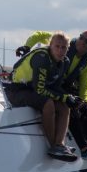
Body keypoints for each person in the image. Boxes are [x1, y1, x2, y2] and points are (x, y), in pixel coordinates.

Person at [19, 30, 87, 159]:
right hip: (27, 87)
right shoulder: (61, 42)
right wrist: (27, 46)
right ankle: (81, 147)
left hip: (54, 86)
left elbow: (86, 85)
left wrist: (86, 102)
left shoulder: (83, 63)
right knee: (66, 105)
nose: (83, 42)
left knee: (84, 106)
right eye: (82, 38)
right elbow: (39, 35)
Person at [5, 32, 78, 161]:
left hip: (32, 89)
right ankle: (53, 146)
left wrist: (68, 98)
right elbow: (40, 89)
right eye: (57, 46)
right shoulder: (42, 57)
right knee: (48, 103)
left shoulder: (65, 61)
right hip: (17, 91)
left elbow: (56, 87)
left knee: (65, 106)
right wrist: (64, 97)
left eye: (64, 47)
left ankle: (60, 144)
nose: (60, 50)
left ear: (68, 49)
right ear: (50, 46)